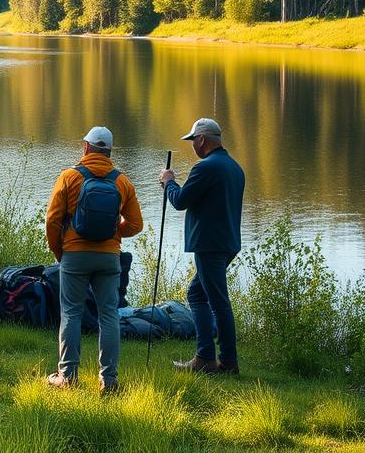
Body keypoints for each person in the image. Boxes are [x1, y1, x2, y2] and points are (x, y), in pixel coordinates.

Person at [45, 126, 143, 393]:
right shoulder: (122, 182)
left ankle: (68, 377)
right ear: (109, 152)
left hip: (74, 255)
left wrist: (59, 251)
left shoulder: (69, 177)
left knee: (72, 313)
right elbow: (135, 224)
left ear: (86, 148)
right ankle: (109, 381)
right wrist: (114, 232)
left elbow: (52, 220)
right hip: (109, 257)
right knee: (109, 315)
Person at [160, 117, 245, 375]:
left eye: (193, 141)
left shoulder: (205, 168)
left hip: (210, 245)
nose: (192, 146)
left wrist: (168, 182)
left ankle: (221, 361)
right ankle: (207, 356)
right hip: (228, 242)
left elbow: (181, 201)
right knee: (198, 294)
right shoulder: (234, 167)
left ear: (202, 140)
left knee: (218, 302)